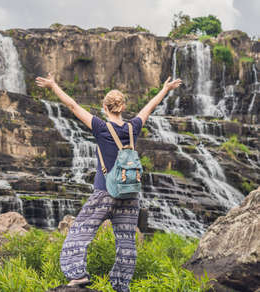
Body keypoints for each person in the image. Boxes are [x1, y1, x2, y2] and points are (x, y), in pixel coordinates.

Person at [35, 73, 182, 291]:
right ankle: (121, 286)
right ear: (123, 107)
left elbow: (73, 106)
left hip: (105, 192)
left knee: (80, 232)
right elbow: (149, 108)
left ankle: (77, 275)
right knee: (126, 243)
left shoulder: (101, 127)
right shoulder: (133, 127)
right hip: (130, 196)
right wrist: (164, 90)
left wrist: (53, 86)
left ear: (105, 108)